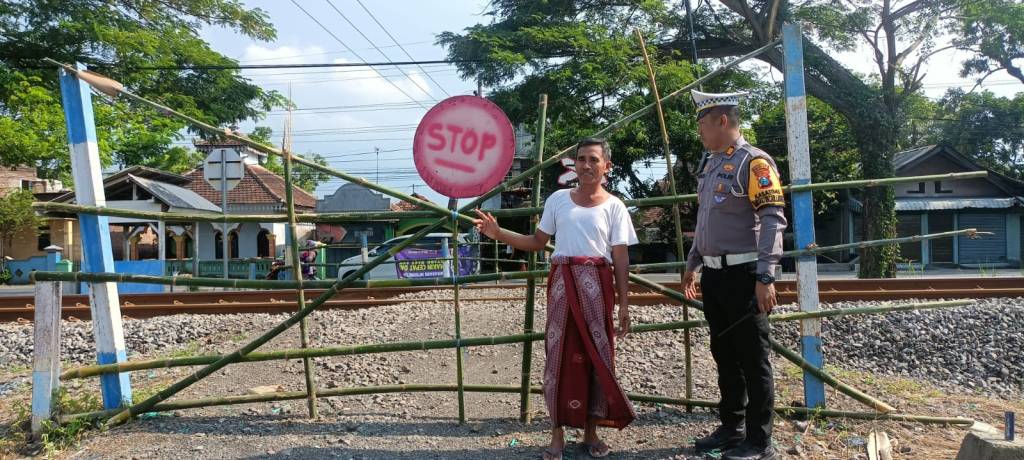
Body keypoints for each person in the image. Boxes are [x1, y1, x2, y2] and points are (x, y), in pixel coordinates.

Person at [473, 137, 637, 460]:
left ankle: (591, 433)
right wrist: (498, 234)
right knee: (559, 355)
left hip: (598, 288)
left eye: (593, 159)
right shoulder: (558, 201)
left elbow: (620, 259)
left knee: (598, 356)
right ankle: (557, 435)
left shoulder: (615, 207)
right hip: (563, 286)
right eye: (581, 159)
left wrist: (624, 306)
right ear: (573, 165)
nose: (586, 165)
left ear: (607, 166)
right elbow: (536, 241)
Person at [682, 90, 787, 460]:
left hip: (745, 275)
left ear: (722, 121)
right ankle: (733, 428)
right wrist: (693, 262)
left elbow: (773, 220)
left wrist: (766, 277)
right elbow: (705, 221)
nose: (700, 132)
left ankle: (760, 441)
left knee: (752, 358)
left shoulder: (754, 163)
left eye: (703, 125)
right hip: (714, 275)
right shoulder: (710, 165)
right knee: (724, 353)